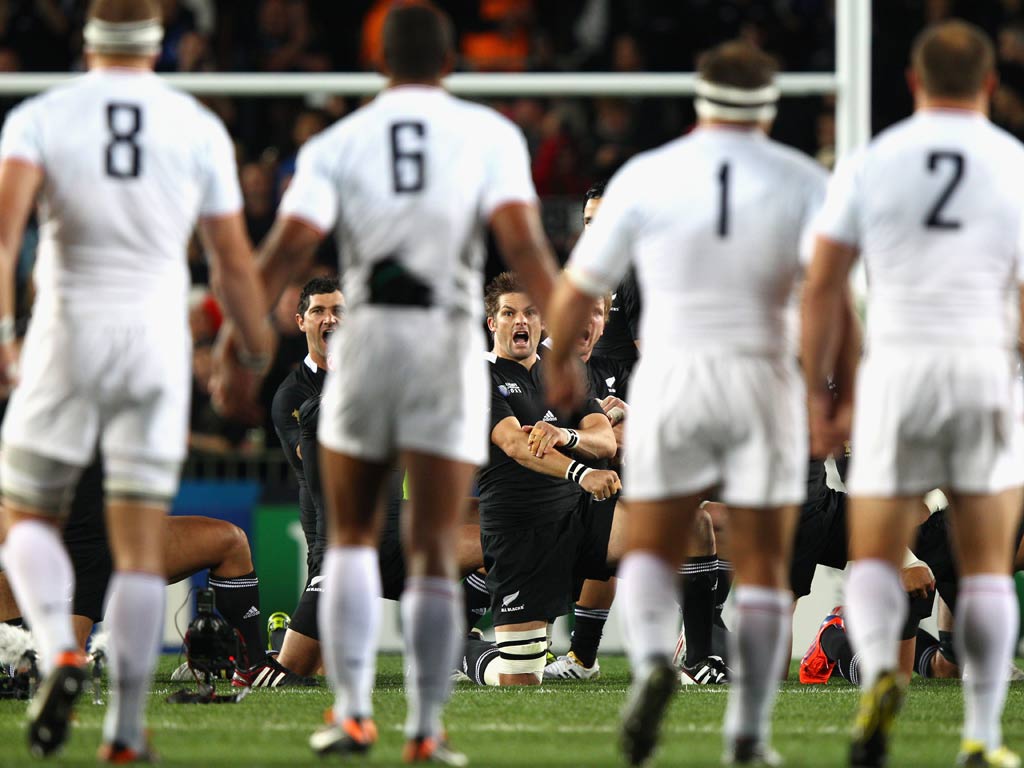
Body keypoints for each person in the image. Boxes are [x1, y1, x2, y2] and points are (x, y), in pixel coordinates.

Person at [226, 3, 559, 762]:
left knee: (344, 543)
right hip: (443, 346)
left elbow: (284, 251)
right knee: (437, 545)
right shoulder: (490, 134)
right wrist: (563, 339)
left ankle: (350, 715)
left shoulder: (340, 141)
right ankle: (426, 730)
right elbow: (524, 244)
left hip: (368, 348)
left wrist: (238, 345)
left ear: (380, 62)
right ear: (449, 64)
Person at [0, 0, 274, 760]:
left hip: (65, 334)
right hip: (153, 344)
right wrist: (247, 357)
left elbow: (3, 236)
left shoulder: (40, 118)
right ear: (160, 44)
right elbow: (230, 264)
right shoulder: (197, 127)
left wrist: (2, 337)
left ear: (87, 41)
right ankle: (123, 731)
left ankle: (57, 648)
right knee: (132, 541)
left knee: (22, 516)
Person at [544, 40, 827, 766]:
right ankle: (750, 733)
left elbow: (578, 290)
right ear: (767, 107)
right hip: (760, 378)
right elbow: (830, 297)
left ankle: (648, 668)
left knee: (651, 535)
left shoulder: (647, 176)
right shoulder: (800, 179)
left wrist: (558, 371)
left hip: (669, 377)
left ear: (700, 99)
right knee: (764, 558)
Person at [802, 20, 1024, 768]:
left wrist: (822, 394)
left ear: (913, 84)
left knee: (873, 557)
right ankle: (984, 737)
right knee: (989, 562)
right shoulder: (1013, 162)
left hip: (896, 374)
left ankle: (877, 688)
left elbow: (825, 283)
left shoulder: (872, 162)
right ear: (990, 85)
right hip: (980, 370)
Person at [479, 272, 622, 687]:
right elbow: (515, 445)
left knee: (683, 533)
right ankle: (464, 652)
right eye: (509, 313)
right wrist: (580, 471)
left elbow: (604, 440)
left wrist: (567, 434)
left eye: (530, 313)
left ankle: (702, 658)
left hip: (578, 517)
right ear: (493, 323)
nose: (519, 321)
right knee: (520, 677)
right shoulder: (478, 376)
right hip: (520, 529)